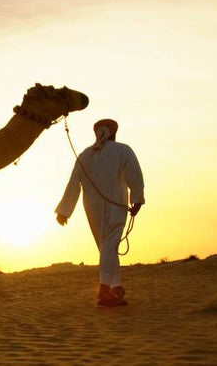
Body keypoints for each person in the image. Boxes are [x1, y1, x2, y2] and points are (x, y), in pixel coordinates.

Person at [55, 119, 144, 307]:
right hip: (115, 203)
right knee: (110, 246)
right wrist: (137, 199)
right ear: (113, 132)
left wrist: (64, 211)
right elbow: (134, 174)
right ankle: (104, 291)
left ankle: (116, 286)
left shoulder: (85, 155)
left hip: (92, 207)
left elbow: (73, 182)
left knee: (107, 247)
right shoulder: (122, 150)